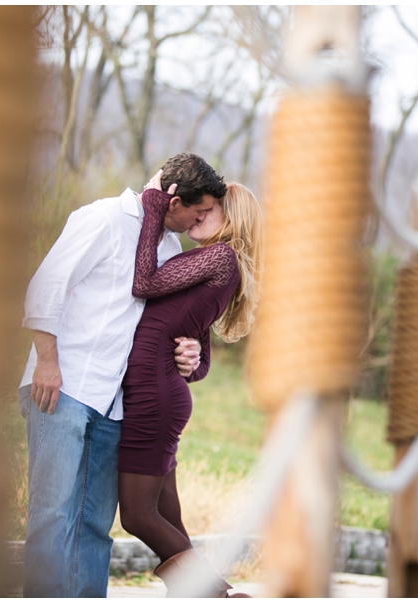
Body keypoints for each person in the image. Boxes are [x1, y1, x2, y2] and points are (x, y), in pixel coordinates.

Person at [17, 154, 228, 597]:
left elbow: (172, 324)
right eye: (200, 210)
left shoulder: (168, 249)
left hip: (114, 404)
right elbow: (46, 286)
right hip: (63, 386)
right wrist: (47, 363)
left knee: (95, 524)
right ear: (175, 200)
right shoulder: (103, 218)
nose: (201, 220)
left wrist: (191, 353)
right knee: (53, 514)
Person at [117, 173, 262, 598]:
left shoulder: (220, 259)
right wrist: (192, 360)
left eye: (209, 209)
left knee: (138, 516)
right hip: (159, 389)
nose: (199, 212)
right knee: (166, 514)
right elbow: (200, 359)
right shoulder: (213, 263)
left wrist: (152, 207)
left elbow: (142, 283)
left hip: (153, 395)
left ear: (229, 215)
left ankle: (218, 595)